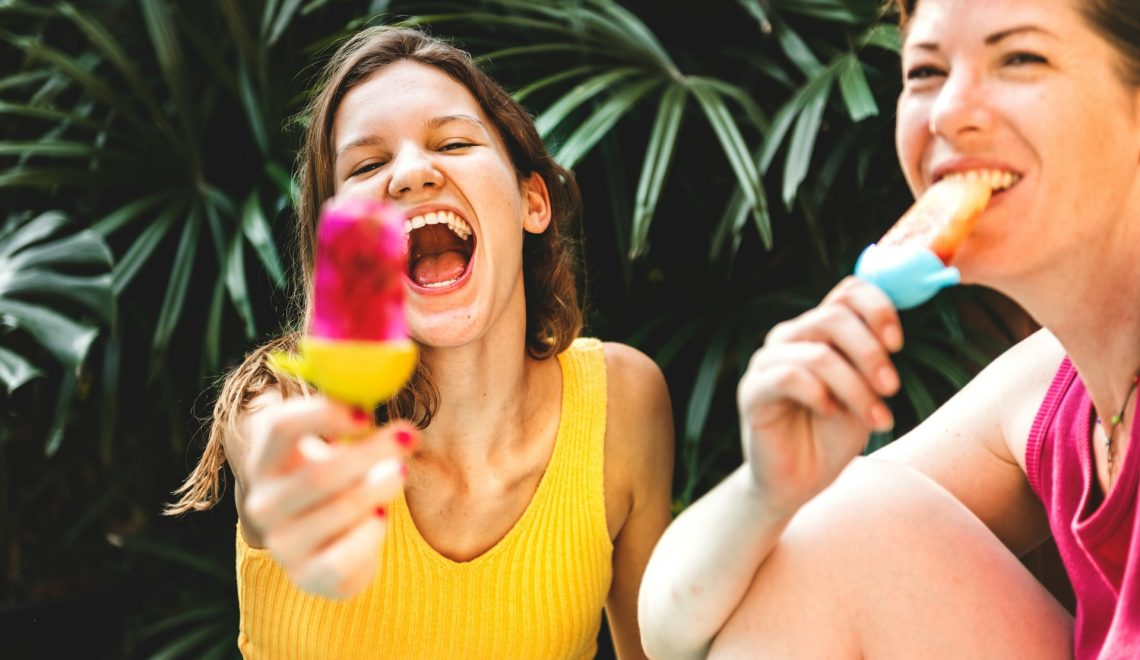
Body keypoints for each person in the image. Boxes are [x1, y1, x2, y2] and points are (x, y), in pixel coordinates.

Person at [639, 0, 1139, 657]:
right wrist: (769, 490)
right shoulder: (1055, 390)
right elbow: (672, 631)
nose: (947, 113)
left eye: (1021, 58)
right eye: (926, 72)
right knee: (842, 522)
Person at [167, 26, 674, 659]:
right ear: (342, 242)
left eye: (454, 141)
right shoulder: (281, 403)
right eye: (368, 164)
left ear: (531, 200)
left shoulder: (624, 406)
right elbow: (272, 455)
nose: (410, 173)